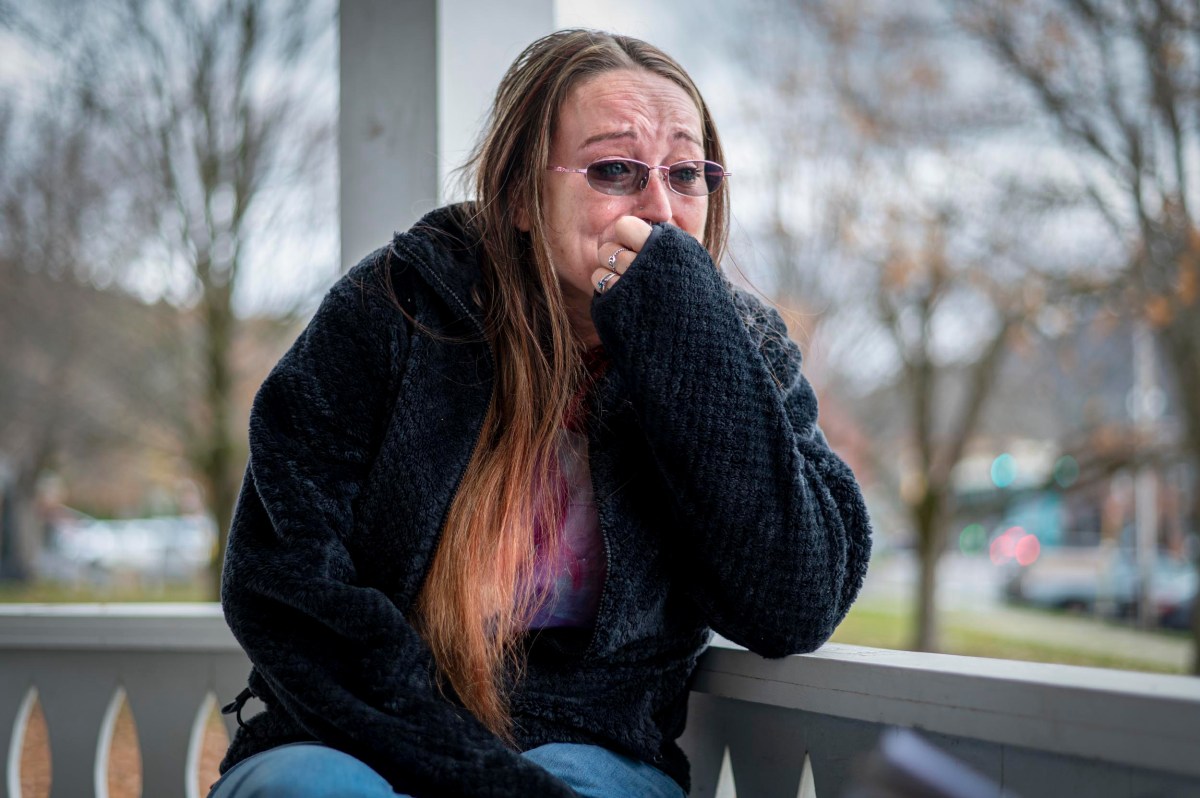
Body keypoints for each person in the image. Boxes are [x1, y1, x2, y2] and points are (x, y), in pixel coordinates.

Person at [211, 28, 872, 798]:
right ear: (522, 197)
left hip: (592, 744)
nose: (661, 209)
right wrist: (482, 779)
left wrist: (688, 339)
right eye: (614, 169)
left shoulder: (741, 347)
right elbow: (281, 577)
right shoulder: (395, 306)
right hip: (356, 731)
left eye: (687, 173)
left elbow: (796, 603)